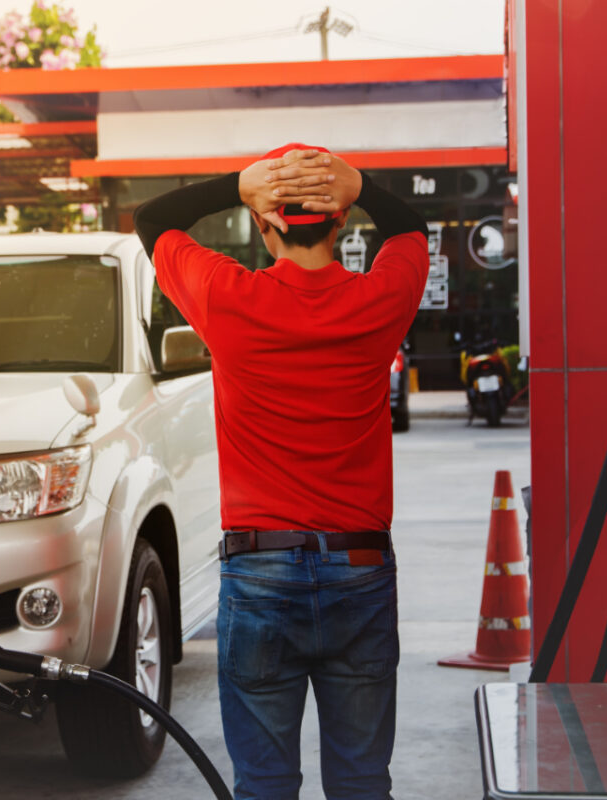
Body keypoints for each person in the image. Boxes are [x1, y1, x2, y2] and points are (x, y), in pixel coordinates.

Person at [132, 143, 428, 800]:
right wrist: (358, 185)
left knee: (263, 786)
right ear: (342, 223)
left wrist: (240, 184)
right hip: (360, 569)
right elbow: (409, 228)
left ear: (264, 224)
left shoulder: (227, 299)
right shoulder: (378, 303)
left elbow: (154, 220)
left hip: (261, 574)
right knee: (360, 783)